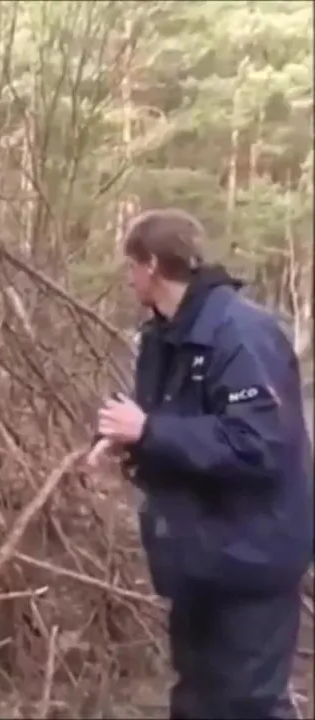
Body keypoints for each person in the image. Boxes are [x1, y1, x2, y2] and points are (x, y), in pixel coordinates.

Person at [89, 208, 313, 719]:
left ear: (150, 264)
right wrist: (123, 442)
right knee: (196, 698)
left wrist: (149, 431)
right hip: (199, 559)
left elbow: (259, 445)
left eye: (131, 265)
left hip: (253, 558)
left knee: (248, 704)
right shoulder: (163, 337)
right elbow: (170, 422)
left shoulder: (241, 334)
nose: (128, 278)